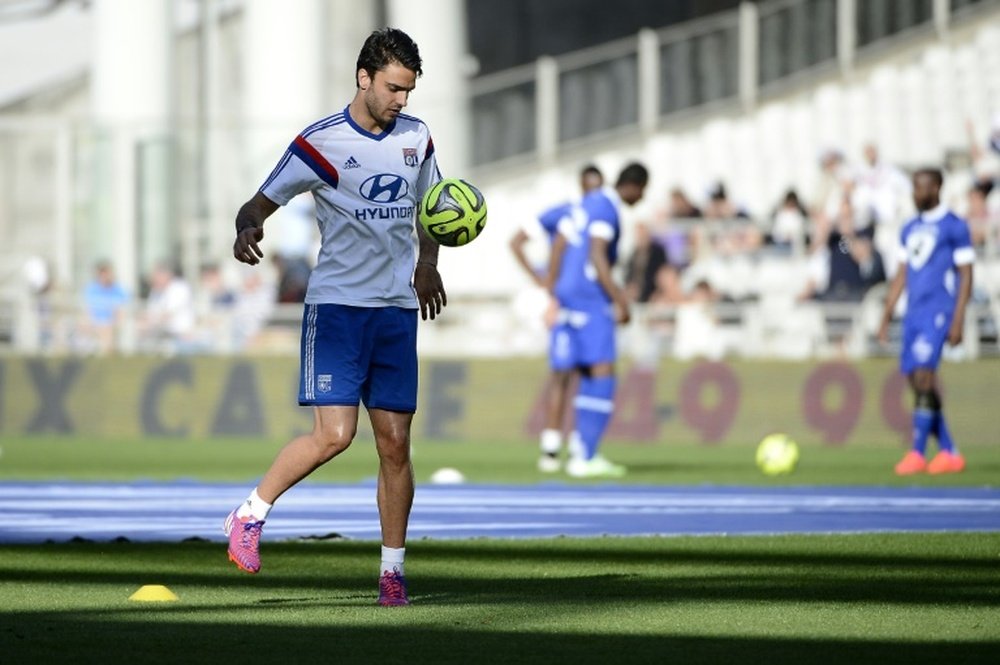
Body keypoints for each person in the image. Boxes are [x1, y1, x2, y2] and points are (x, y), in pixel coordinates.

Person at [224, 28, 447, 607]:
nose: (403, 100)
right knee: (336, 436)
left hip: (396, 310)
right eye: (395, 88)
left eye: (409, 90)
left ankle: (392, 576)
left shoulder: (417, 137)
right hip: (339, 308)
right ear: (364, 78)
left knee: (396, 446)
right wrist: (248, 226)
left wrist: (427, 263)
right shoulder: (320, 143)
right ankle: (249, 513)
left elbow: (434, 209)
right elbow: (260, 201)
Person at [545, 162, 649, 478]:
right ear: (635, 186)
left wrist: (553, 290)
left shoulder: (586, 202)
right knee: (602, 371)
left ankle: (578, 448)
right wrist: (620, 299)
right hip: (591, 298)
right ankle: (585, 456)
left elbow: (560, 245)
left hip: (568, 295)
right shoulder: (606, 208)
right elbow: (597, 254)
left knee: (581, 372)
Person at [877, 168, 974, 476]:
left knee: (923, 377)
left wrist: (959, 319)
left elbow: (966, 274)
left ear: (937, 188)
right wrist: (886, 312)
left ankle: (917, 453)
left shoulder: (954, 226)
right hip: (914, 312)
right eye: (915, 188)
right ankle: (949, 451)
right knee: (916, 381)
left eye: (922, 188)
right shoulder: (909, 228)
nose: (917, 194)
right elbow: (902, 273)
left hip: (938, 309)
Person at [509, 164, 604, 472]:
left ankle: (581, 446)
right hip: (562, 304)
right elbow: (517, 240)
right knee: (562, 373)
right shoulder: (563, 213)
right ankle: (550, 448)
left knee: (589, 374)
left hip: (590, 305)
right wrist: (543, 282)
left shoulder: (601, 216)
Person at [81, 259, 129, 355]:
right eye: (102, 273)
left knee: (107, 331)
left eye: (107, 273)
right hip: (94, 324)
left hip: (111, 325)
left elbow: (121, 312)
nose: (105, 276)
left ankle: (106, 357)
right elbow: (87, 311)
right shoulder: (91, 290)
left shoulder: (119, 290)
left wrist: (112, 323)